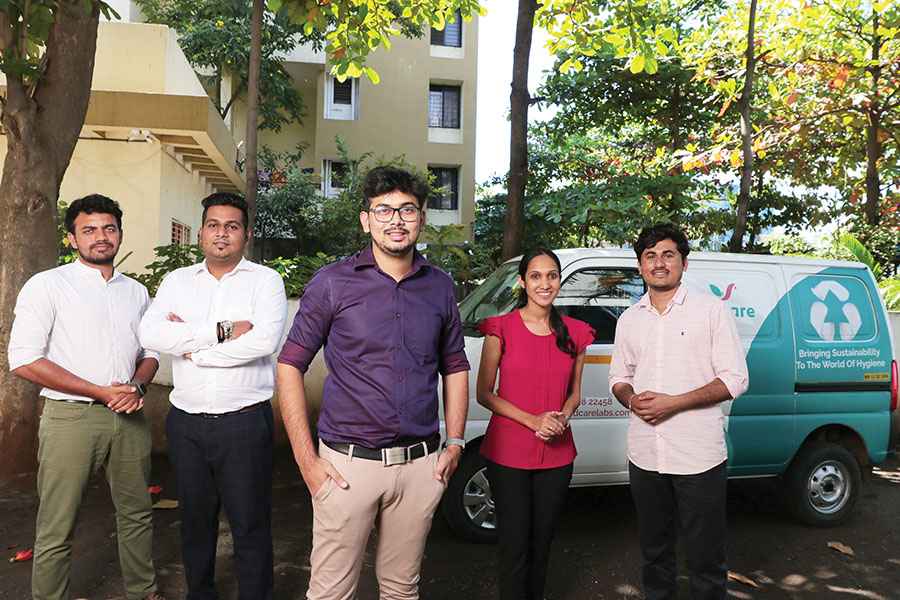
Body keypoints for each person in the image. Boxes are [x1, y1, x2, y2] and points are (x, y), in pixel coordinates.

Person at [277, 166, 470, 600]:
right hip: (346, 466)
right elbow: (290, 365)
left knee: (402, 590)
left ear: (421, 218)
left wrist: (455, 442)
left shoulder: (440, 286)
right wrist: (308, 462)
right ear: (366, 220)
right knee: (330, 593)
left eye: (407, 209)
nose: (396, 219)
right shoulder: (332, 283)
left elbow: (454, 365)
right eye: (383, 210)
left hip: (421, 466)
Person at [8, 195, 164, 600]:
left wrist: (138, 387)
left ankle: (143, 592)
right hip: (70, 419)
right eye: (89, 230)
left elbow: (151, 354)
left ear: (119, 234)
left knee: (137, 515)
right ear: (72, 238)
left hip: (129, 417)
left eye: (109, 228)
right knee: (57, 523)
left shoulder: (136, 292)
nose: (101, 237)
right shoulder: (48, 285)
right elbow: (24, 360)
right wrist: (98, 391)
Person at [138, 192, 287, 600]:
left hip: (243, 421)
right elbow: (150, 334)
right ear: (202, 231)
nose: (222, 234)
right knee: (195, 522)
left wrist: (190, 349)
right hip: (185, 423)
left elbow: (263, 342)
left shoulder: (265, 281)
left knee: (250, 523)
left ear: (246, 234)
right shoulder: (177, 282)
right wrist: (218, 332)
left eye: (232, 226)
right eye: (214, 225)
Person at [609, 223, 749, 600]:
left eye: (668, 255)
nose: (659, 263)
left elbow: (735, 379)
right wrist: (631, 399)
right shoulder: (629, 319)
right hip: (645, 455)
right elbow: (619, 379)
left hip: (697, 458)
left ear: (683, 263)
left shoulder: (711, 311)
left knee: (705, 560)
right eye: (650, 256)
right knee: (654, 555)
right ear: (640, 266)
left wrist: (675, 402)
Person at [475, 247, 594, 600]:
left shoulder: (576, 332)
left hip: (557, 455)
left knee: (543, 543)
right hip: (508, 452)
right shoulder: (501, 329)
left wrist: (562, 417)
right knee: (514, 545)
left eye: (552, 275)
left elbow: (574, 394)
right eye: (536, 276)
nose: (545, 283)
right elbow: (485, 393)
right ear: (522, 282)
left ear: (559, 281)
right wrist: (533, 421)